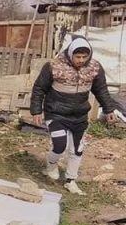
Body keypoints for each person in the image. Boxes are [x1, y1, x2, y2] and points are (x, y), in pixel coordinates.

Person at [30, 35, 117, 195]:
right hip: (56, 113)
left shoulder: (94, 68)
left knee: (77, 149)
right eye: (78, 56)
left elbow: (101, 90)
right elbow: (39, 88)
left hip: (79, 115)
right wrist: (36, 110)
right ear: (71, 54)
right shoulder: (53, 66)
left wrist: (109, 109)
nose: (81, 60)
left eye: (85, 57)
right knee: (59, 145)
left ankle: (71, 180)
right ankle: (51, 164)